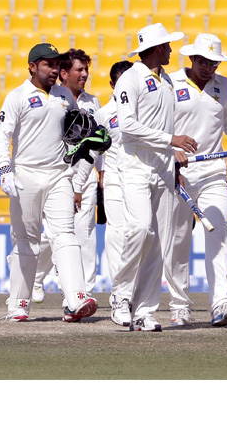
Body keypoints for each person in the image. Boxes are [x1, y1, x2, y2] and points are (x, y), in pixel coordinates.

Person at [0, 42, 97, 323]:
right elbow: (3, 135)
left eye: (57, 65)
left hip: (59, 175)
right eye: (49, 64)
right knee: (27, 240)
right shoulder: (17, 96)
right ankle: (18, 303)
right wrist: (5, 170)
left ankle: (75, 297)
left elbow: (77, 130)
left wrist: (90, 139)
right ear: (32, 66)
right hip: (26, 175)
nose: (55, 70)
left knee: (64, 234)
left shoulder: (64, 94)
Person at [166, 33, 227, 327]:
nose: (209, 67)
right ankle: (180, 305)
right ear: (192, 58)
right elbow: (157, 126)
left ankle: (222, 302)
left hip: (213, 172)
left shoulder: (225, 86)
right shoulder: (170, 84)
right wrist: (172, 154)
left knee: (217, 232)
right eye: (204, 61)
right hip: (177, 173)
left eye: (214, 62)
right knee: (178, 240)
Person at [110, 22, 198, 332]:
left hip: (162, 167)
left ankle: (145, 310)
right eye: (168, 46)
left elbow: (165, 123)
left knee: (159, 242)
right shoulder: (130, 80)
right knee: (139, 228)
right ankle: (121, 297)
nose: (172, 50)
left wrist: (173, 160)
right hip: (135, 164)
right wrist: (170, 140)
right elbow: (127, 126)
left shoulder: (168, 82)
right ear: (156, 49)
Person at [32, 48, 102, 301]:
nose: (84, 74)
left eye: (86, 70)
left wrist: (100, 173)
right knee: (56, 235)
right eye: (79, 70)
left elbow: (96, 141)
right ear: (63, 73)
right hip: (57, 174)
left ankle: (80, 293)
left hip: (86, 175)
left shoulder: (93, 102)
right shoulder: (54, 98)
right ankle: (35, 276)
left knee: (84, 236)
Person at [93, 61, 133, 310]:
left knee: (140, 233)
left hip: (142, 177)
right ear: (112, 85)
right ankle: (120, 293)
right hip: (115, 178)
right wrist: (101, 176)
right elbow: (97, 151)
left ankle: (135, 289)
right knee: (116, 233)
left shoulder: (146, 109)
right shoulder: (104, 114)